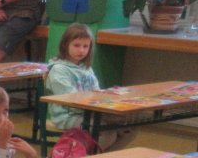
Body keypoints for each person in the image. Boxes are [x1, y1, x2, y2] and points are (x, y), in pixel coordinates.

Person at [44, 22, 134, 151]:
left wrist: (108, 97)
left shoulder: (86, 68)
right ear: (65, 45)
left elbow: (97, 92)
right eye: (76, 45)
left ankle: (101, 157)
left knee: (128, 128)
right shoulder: (59, 69)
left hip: (89, 112)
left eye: (85, 46)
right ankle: (82, 157)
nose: (81, 50)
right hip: (68, 117)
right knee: (107, 132)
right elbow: (70, 100)